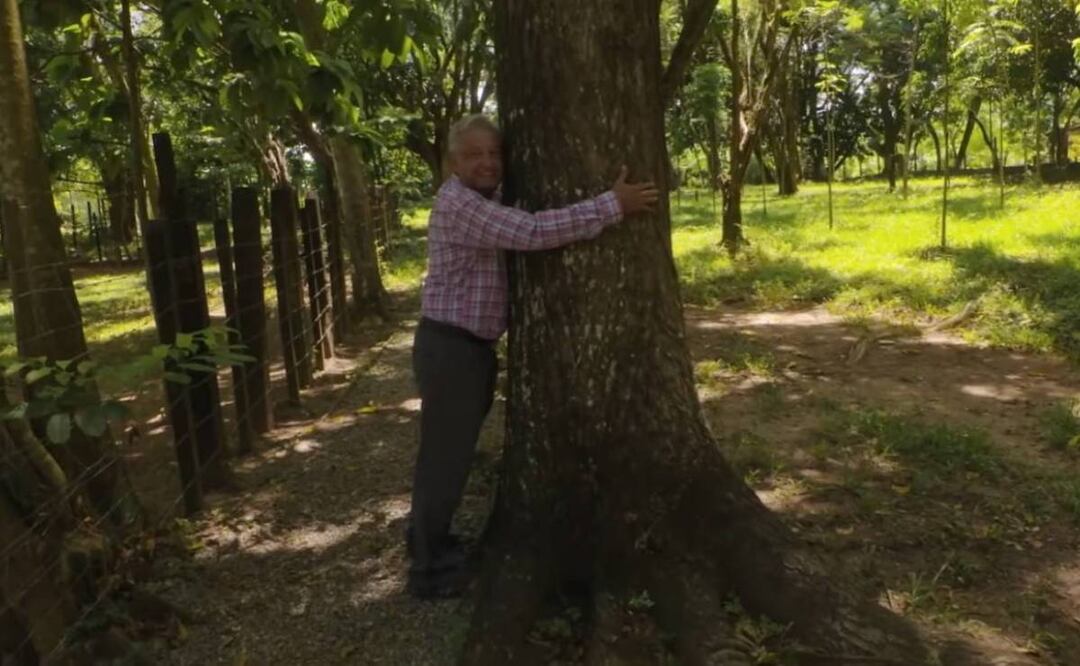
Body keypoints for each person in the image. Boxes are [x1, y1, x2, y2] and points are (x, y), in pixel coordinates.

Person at [407, 114, 659, 599]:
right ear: (453, 163)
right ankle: (428, 569)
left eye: (493, 153)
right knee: (445, 460)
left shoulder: (480, 199)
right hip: (451, 350)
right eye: (474, 154)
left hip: (464, 348)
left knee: (447, 456)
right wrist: (613, 205)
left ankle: (429, 541)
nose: (487, 162)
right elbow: (531, 232)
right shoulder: (461, 203)